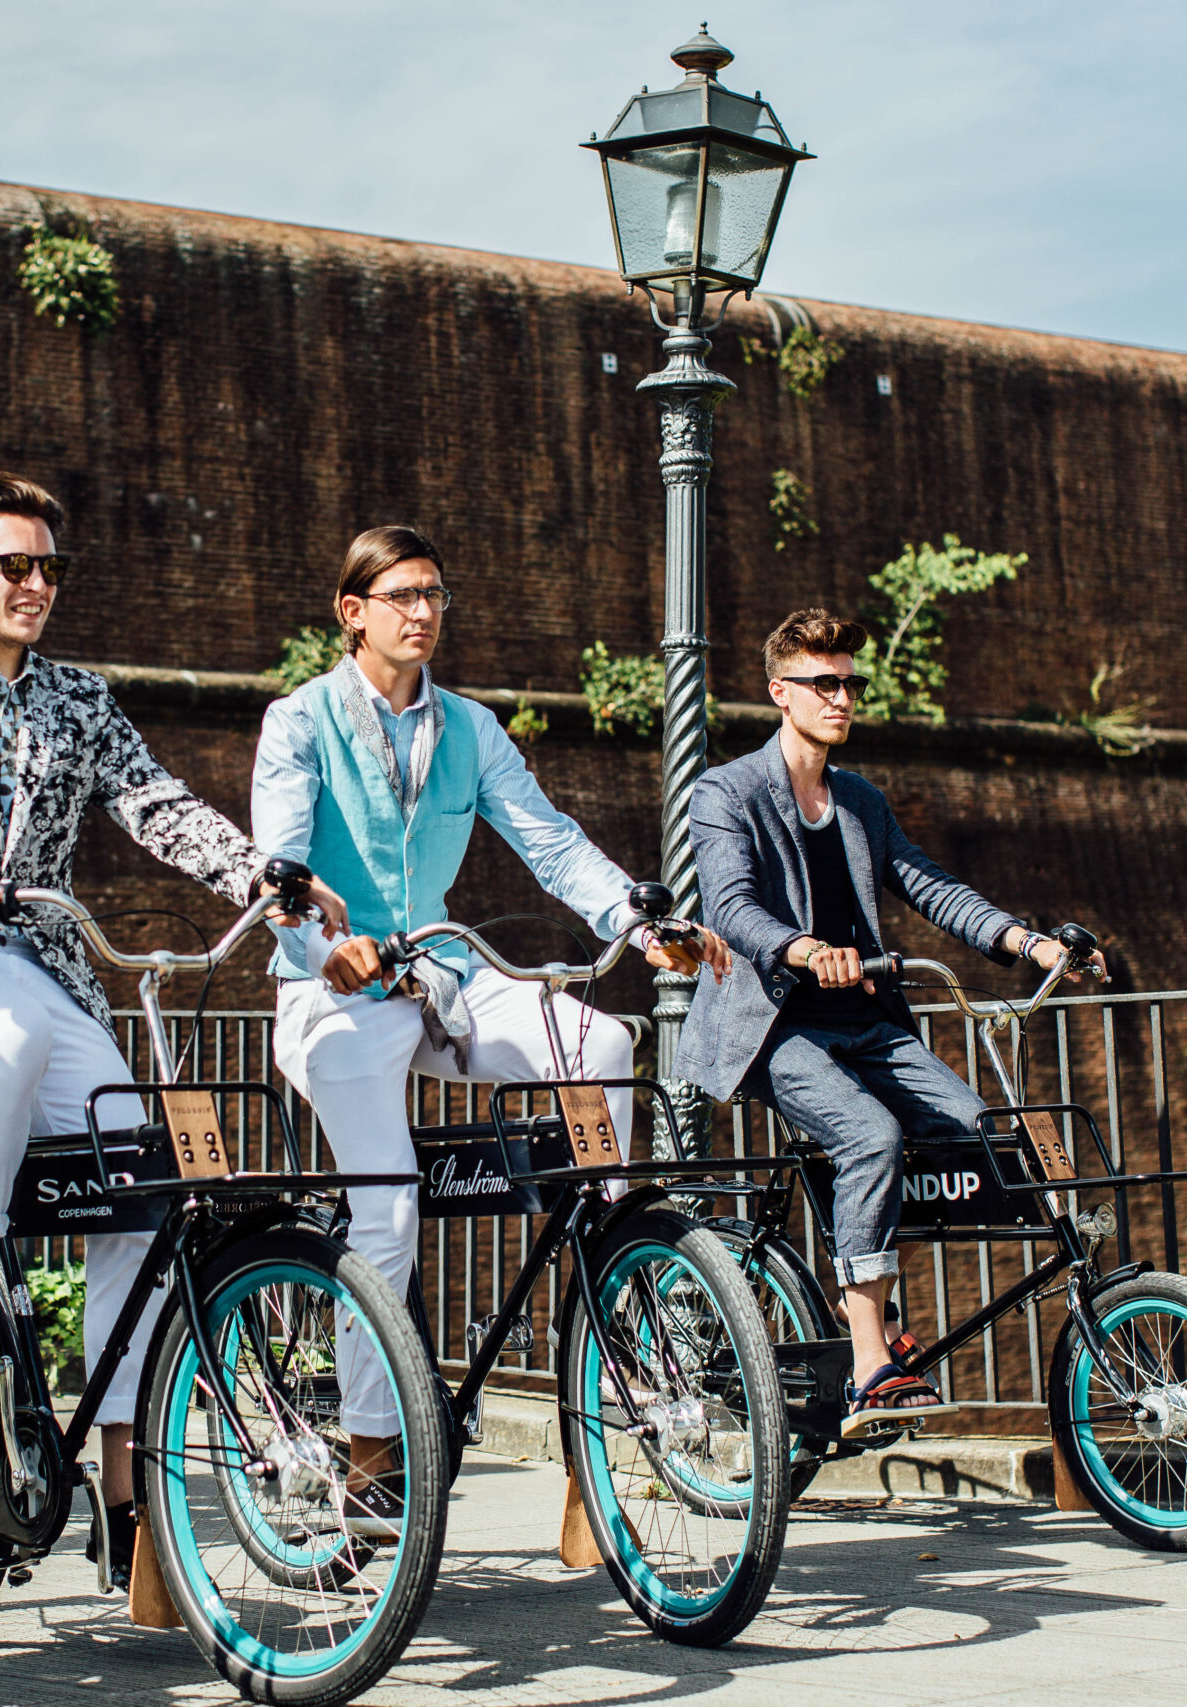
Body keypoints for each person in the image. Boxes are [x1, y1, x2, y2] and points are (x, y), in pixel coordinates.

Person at [0, 472, 341, 1587]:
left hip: (42, 966)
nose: (37, 585)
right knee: (8, 1031)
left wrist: (264, 876)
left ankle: (126, 1493)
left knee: (137, 1182)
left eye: (50, 568)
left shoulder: (78, 697)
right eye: (13, 565)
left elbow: (154, 800)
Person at [251, 524, 728, 1533]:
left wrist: (641, 924)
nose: (424, 612)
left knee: (601, 1044)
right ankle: (371, 1456)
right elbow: (280, 868)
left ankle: (611, 1304)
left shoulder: (468, 726)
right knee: (386, 1211)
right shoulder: (298, 721)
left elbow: (549, 841)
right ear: (353, 612)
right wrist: (322, 944)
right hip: (334, 993)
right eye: (403, 596)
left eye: (435, 595)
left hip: (442, 976)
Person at [675, 608, 1103, 1438]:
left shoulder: (860, 801)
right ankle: (871, 1357)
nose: (842, 697)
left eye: (850, 683)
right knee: (869, 1134)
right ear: (780, 692)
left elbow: (930, 885)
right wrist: (803, 948)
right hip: (776, 1026)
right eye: (823, 683)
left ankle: (868, 1285)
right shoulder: (728, 791)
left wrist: (1029, 942)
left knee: (979, 1131)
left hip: (867, 1021)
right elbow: (730, 906)